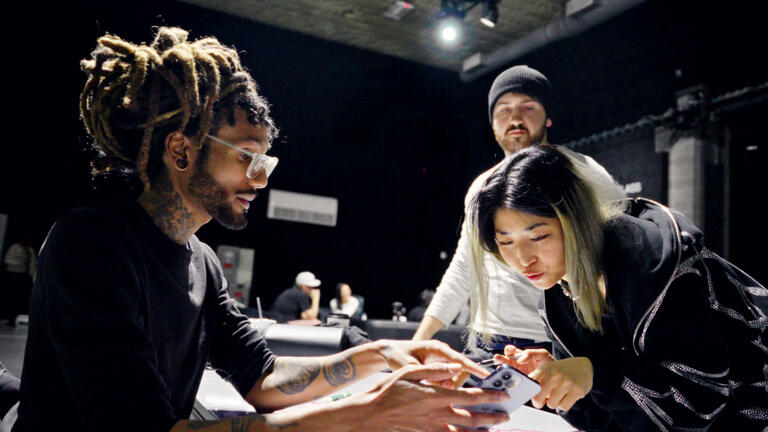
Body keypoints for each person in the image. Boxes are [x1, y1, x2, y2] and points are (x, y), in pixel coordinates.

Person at [12, 27, 512, 432]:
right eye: (248, 156)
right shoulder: (93, 246)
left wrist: (386, 354)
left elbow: (264, 377)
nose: (260, 179)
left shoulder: (202, 262)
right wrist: (370, 412)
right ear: (181, 150)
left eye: (265, 161)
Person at [471, 144, 768, 431]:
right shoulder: (557, 293)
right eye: (505, 242)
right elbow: (601, 421)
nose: (523, 260)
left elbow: (702, 401)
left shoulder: (659, 265)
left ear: (578, 219)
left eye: (539, 237)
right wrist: (562, 378)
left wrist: (595, 374)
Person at [413, 65, 624, 360]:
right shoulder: (482, 187)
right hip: (492, 345)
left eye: (528, 107)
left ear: (547, 116)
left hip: (565, 344)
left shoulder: (585, 174)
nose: (515, 119)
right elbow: (465, 268)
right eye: (504, 110)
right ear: (492, 123)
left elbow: (619, 257)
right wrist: (418, 342)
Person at [1, 235, 36, 326]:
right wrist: (22, 260)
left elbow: (32, 264)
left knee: (18, 298)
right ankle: (8, 317)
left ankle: (14, 317)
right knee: (10, 297)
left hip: (23, 276)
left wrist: (32, 276)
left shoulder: (30, 250)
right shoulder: (15, 247)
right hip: (12, 274)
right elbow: (8, 259)